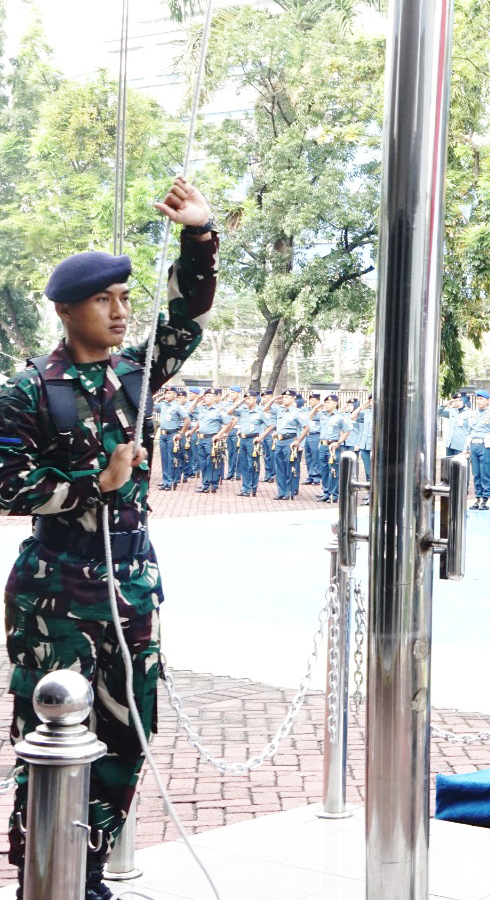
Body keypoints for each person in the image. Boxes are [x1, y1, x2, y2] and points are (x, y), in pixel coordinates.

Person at [0, 176, 216, 898]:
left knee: (127, 736)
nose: (122, 312)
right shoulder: (27, 390)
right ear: (67, 311)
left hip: (131, 583)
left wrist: (199, 235)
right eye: (105, 300)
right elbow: (8, 487)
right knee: (51, 739)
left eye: (126, 298)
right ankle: (42, 872)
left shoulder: (136, 372)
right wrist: (99, 480)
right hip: (56, 593)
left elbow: (186, 318)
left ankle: (87, 869)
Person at [468, 390, 490, 510]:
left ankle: (485, 499)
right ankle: (477, 497)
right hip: (474, 446)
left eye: (481, 399)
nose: (478, 401)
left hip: (486, 446)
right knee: (476, 473)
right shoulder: (473, 414)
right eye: (477, 399)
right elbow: (469, 431)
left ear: (488, 400)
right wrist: (467, 448)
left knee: (485, 473)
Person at [315, 396, 351, 503]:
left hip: (333, 446)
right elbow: (311, 415)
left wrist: (339, 442)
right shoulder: (322, 415)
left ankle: (334, 494)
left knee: (334, 470)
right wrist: (319, 406)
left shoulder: (340, 417)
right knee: (324, 470)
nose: (326, 405)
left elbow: (346, 431)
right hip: (322, 445)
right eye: (325, 403)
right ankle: (326, 492)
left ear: (335, 403)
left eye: (329, 403)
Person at [233, 391, 267, 498]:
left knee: (252, 465)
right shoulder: (243, 410)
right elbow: (230, 411)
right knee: (243, 464)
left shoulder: (260, 412)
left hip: (253, 440)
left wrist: (261, 437)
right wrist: (239, 402)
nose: (247, 400)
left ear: (255, 399)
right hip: (242, 440)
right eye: (246, 398)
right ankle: (245, 488)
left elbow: (270, 425)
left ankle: (252, 488)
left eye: (249, 398)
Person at [155, 387, 189, 490]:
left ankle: (171, 481)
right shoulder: (163, 405)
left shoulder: (178, 406)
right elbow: (149, 406)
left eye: (170, 393)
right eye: (166, 393)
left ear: (175, 395)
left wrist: (181, 433)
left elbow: (187, 421)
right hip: (162, 435)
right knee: (164, 459)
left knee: (172, 458)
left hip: (172, 435)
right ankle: (165, 481)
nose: (167, 395)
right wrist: (156, 397)